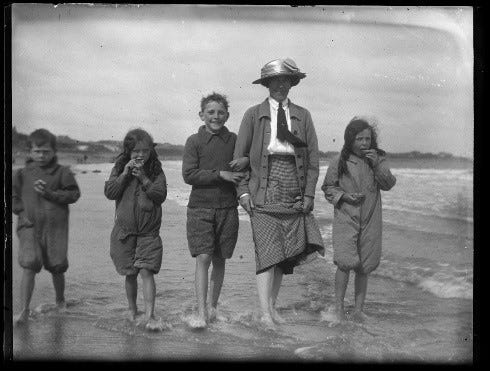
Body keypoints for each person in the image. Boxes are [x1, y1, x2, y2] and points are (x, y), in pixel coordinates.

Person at [233, 58, 325, 327]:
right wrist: (243, 194)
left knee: (283, 252)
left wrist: (308, 195)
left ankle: (271, 308)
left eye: (286, 80)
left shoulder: (303, 115)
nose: (281, 85)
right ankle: (264, 313)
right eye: (276, 80)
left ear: (292, 83)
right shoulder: (252, 114)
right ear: (267, 84)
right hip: (262, 189)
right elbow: (239, 158)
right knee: (267, 252)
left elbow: (312, 161)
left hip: (293, 190)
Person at [321, 117, 396, 323]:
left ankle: (358, 310)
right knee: (344, 262)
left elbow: (389, 184)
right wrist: (344, 196)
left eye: (368, 139)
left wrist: (376, 165)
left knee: (365, 265)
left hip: (371, 218)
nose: (364, 143)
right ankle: (338, 309)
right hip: (346, 216)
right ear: (349, 139)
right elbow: (328, 188)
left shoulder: (378, 159)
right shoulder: (339, 160)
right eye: (359, 139)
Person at [182, 93, 247, 328]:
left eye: (220, 112)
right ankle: (200, 311)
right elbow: (188, 174)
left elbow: (244, 164)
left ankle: (212, 308)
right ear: (201, 115)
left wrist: (246, 163)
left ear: (227, 115)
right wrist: (220, 174)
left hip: (228, 208)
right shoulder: (193, 141)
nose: (216, 116)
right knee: (204, 257)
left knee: (220, 259)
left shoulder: (234, 140)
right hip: (199, 208)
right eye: (211, 112)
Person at [12, 129, 81, 325]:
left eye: (46, 151)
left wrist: (50, 193)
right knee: (29, 264)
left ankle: (60, 301)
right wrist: (21, 212)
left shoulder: (63, 172)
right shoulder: (21, 174)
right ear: (30, 152)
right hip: (29, 226)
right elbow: (12, 197)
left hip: (56, 228)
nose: (41, 155)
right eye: (37, 151)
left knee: (57, 266)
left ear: (54, 152)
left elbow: (74, 195)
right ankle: (24, 310)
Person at [104, 128, 167, 331]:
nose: (141, 155)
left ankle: (149, 315)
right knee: (130, 274)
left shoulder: (156, 170)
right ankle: (132, 310)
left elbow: (160, 195)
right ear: (128, 151)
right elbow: (110, 192)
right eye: (136, 151)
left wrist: (144, 178)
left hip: (149, 233)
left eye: (145, 151)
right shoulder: (120, 167)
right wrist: (124, 174)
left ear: (151, 152)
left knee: (147, 271)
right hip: (124, 232)